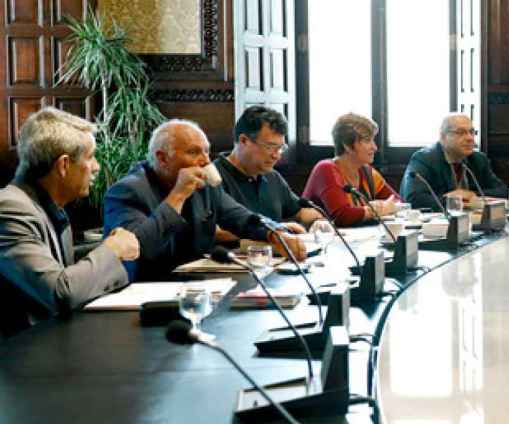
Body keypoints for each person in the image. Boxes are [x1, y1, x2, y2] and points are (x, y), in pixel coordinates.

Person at [104, 119, 306, 281]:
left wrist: (274, 233)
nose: (206, 160)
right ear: (162, 158)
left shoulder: (205, 187)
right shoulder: (127, 191)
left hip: (198, 287)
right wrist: (178, 195)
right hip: (144, 296)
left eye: (207, 151)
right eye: (194, 152)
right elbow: (138, 249)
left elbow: (241, 217)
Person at [0, 107, 139, 337]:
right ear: (64, 165)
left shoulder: (50, 206)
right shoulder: (9, 208)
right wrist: (112, 250)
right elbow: (60, 293)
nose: (97, 167)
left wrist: (111, 249)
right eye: (91, 156)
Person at [213, 105, 320, 241]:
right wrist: (274, 229)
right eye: (270, 147)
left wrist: (319, 221)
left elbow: (300, 211)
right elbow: (214, 232)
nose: (277, 156)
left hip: (274, 258)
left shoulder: (272, 176)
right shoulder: (213, 177)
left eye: (280, 148)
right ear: (244, 141)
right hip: (231, 260)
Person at [302, 113, 400, 226]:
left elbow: (397, 202)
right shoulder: (326, 169)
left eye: (373, 140)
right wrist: (377, 209)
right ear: (347, 145)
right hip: (320, 241)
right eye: (367, 141)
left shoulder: (367, 171)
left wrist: (378, 208)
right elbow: (342, 216)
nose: (374, 147)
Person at [399, 113, 507, 210]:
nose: (470, 138)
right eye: (461, 133)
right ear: (443, 137)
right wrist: (453, 200)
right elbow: (413, 198)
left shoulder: (478, 159)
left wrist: (471, 194)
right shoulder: (425, 159)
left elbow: (502, 191)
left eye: (472, 132)